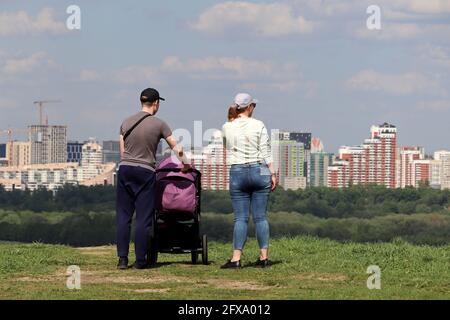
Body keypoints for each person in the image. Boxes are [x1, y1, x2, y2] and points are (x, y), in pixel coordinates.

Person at [116, 88, 190, 270]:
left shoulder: (126, 122)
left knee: (123, 217)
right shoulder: (160, 124)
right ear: (156, 103)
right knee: (143, 218)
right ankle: (140, 260)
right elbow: (175, 146)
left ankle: (122, 260)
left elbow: (122, 152)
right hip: (145, 172)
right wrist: (186, 164)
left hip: (125, 169)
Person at [221, 93, 278, 269]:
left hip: (237, 170)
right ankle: (263, 258)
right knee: (260, 217)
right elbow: (265, 151)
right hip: (259, 169)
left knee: (240, 218)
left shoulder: (227, 127)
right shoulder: (259, 125)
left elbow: (226, 146)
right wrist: (273, 173)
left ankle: (236, 259)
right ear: (249, 107)